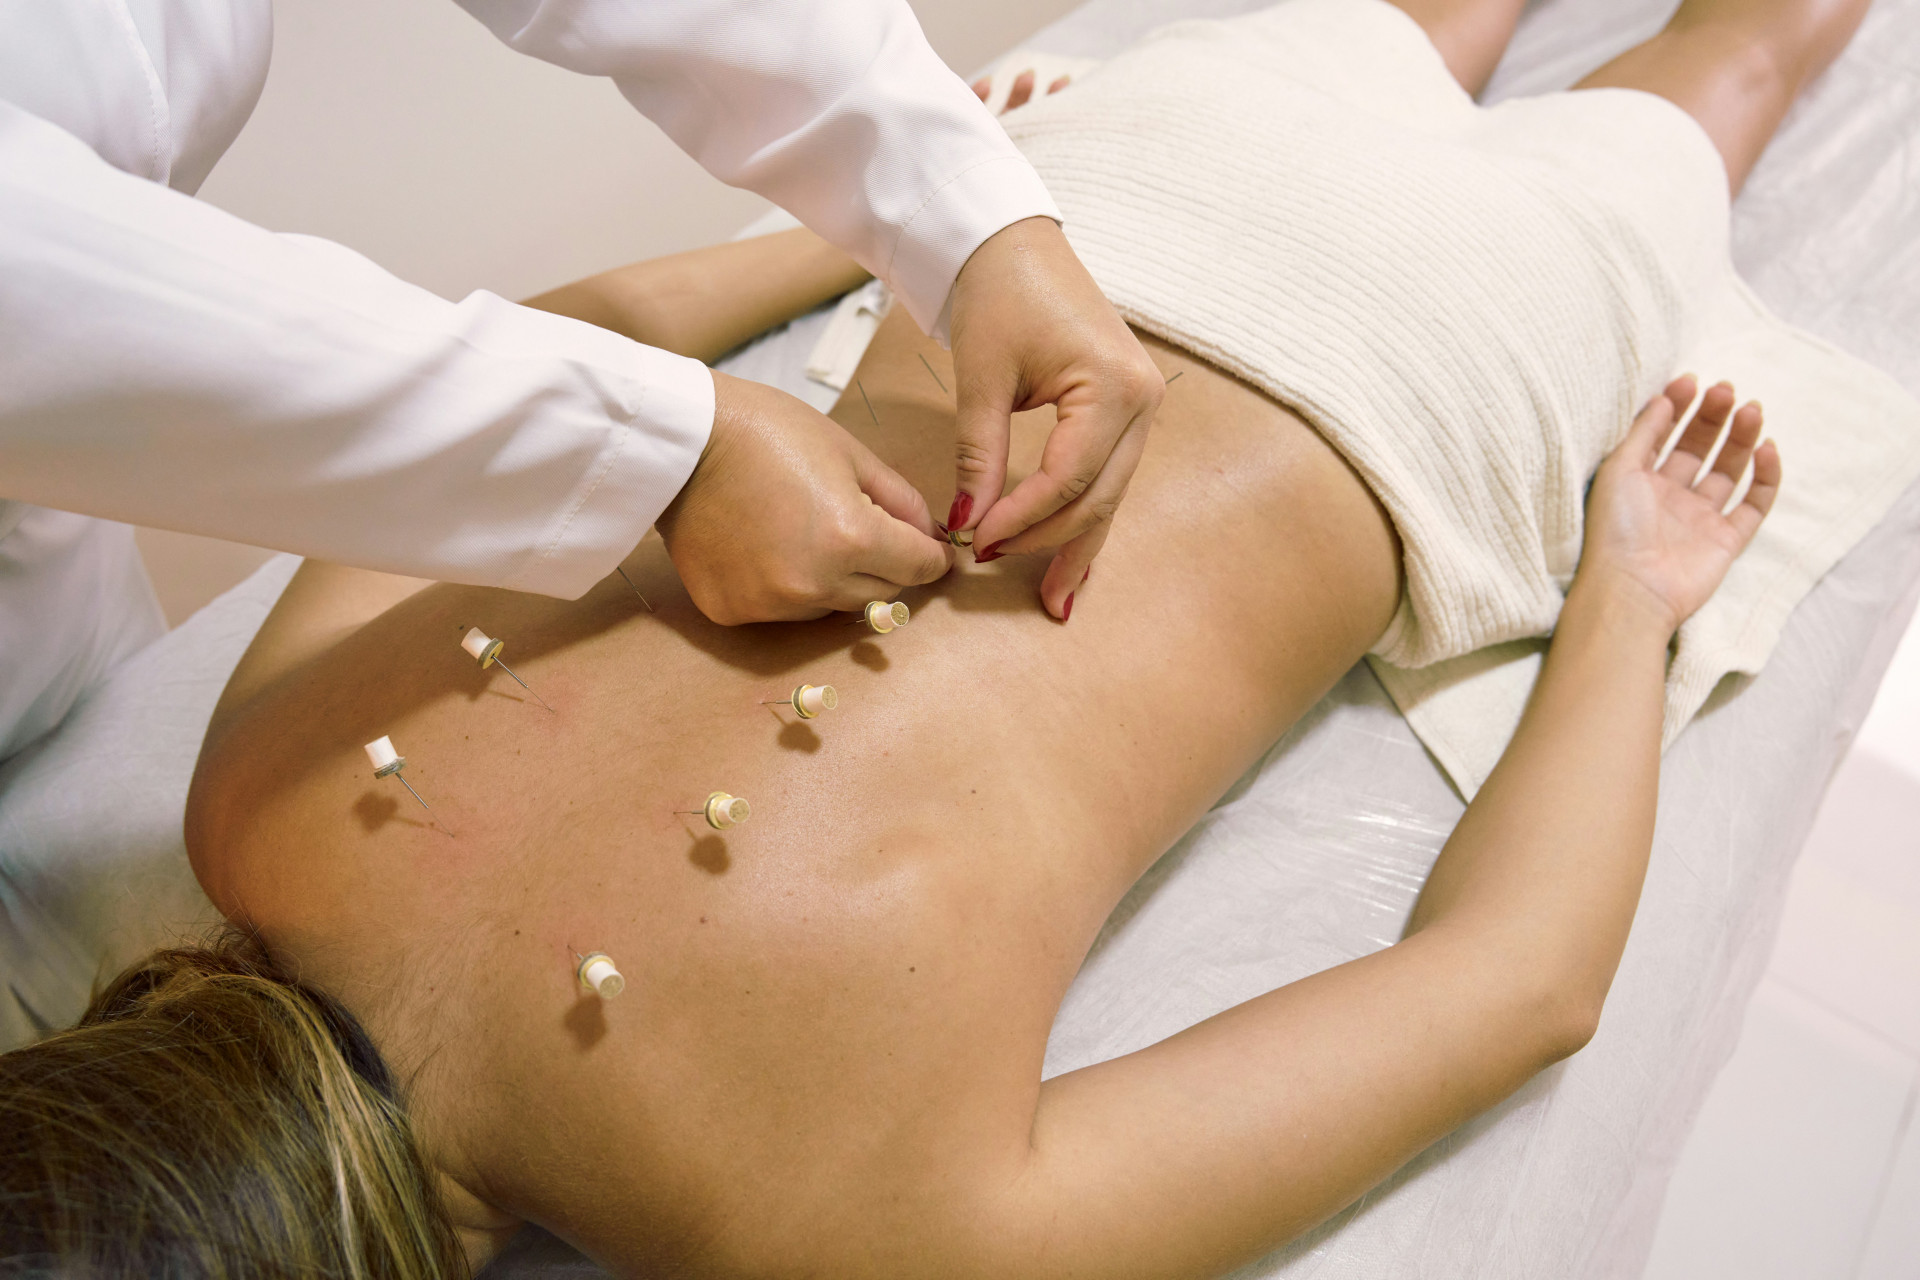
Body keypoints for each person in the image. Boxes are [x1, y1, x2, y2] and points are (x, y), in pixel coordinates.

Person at [0, 0, 1869, 1273]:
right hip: (1106, 216)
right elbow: (582, 325)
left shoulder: (838, 1223)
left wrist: (1630, 592)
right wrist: (922, 226)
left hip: (1450, 359)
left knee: (1741, 62)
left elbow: (1519, 985)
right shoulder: (256, 794)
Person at [0, 0, 1162, 764]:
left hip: (58, 606)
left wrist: (961, 214)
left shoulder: (250, 778)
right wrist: (661, 454)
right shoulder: (250, 797)